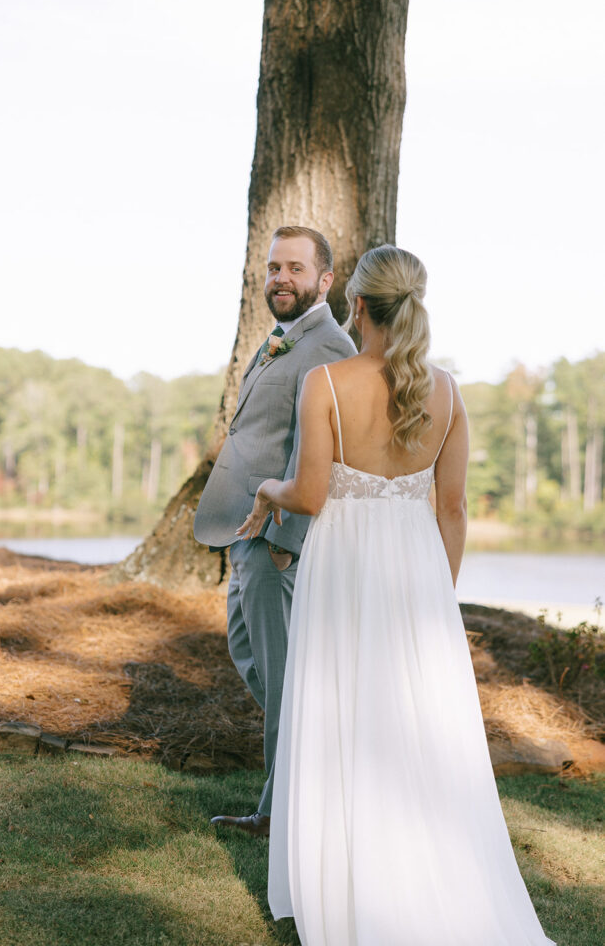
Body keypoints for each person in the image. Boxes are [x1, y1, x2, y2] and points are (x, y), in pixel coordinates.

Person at [238, 245, 555, 945]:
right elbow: (454, 509)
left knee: (341, 715)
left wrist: (267, 489)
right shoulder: (446, 392)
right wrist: (436, 602)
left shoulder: (325, 381)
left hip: (343, 566)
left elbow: (312, 495)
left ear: (356, 305)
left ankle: (346, 882)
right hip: (418, 575)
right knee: (418, 725)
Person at [193, 225, 356, 835]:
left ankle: (280, 816)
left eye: (294, 268)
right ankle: (320, 767)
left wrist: (285, 547)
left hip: (277, 537)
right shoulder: (286, 338)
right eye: (272, 268)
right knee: (253, 659)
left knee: (284, 680)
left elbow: (317, 453)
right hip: (245, 532)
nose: (280, 279)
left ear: (326, 279)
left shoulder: (328, 347)